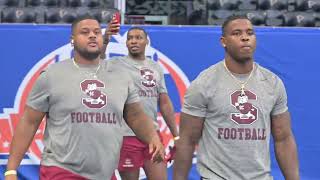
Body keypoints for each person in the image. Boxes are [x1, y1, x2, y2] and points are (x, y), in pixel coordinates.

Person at [4, 15, 164, 180]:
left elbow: (136, 116)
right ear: (72, 40)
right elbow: (29, 122)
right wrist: (11, 170)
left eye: (96, 32)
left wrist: (153, 138)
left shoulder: (121, 76)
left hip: (105, 173)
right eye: (85, 32)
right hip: (62, 170)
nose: (92, 35)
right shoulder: (52, 75)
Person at [173, 15, 299, 180]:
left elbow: (283, 138)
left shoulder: (272, 83)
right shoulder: (204, 83)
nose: (245, 37)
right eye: (237, 33)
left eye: (250, 33)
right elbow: (187, 140)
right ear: (223, 41)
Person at [109, 27, 179, 180]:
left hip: (152, 135)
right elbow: (97, 57)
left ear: (147, 41)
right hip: (126, 135)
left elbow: (165, 103)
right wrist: (106, 36)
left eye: (138, 37)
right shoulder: (115, 64)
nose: (133, 41)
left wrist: (176, 136)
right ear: (126, 43)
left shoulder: (156, 67)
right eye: (130, 38)